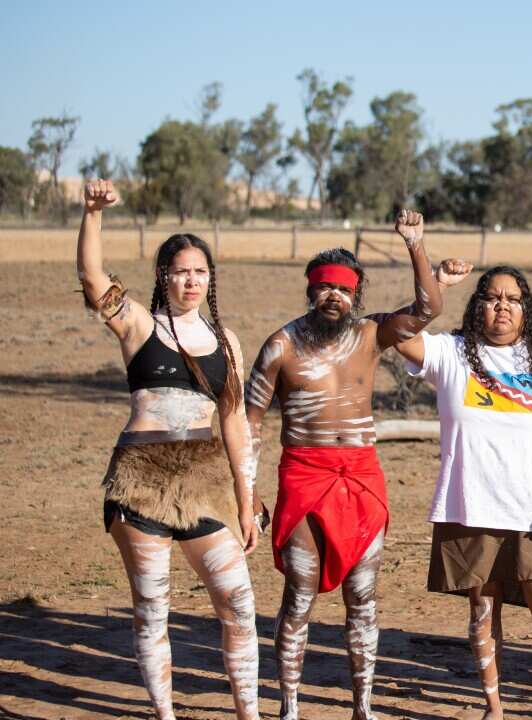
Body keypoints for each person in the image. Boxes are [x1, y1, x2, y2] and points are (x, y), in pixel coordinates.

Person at [245, 210, 457, 720]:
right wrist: (246, 490)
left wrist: (415, 245)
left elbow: (429, 307)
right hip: (304, 476)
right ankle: (289, 708)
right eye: (323, 288)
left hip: (361, 478)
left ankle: (363, 706)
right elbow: (247, 421)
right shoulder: (281, 345)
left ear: (356, 295)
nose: (333, 297)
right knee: (299, 596)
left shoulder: (371, 334)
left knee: (363, 597)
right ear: (310, 292)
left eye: (343, 289)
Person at [77, 179, 260, 719]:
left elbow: (233, 424)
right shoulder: (138, 324)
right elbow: (92, 280)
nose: (191, 280)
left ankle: (248, 712)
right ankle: (165, 715)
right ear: (164, 275)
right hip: (140, 479)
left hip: (205, 482)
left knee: (239, 604)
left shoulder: (227, 343)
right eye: (181, 270)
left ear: (210, 278)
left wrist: (247, 503)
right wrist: (93, 214)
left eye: (200, 271)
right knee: (153, 609)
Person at [399, 265, 532, 720]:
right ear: (478, 304)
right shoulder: (453, 353)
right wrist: (434, 287)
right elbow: (396, 335)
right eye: (492, 297)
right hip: (471, 504)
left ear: (527, 309)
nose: (502, 306)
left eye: (513, 299)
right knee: (483, 607)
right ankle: (493, 708)